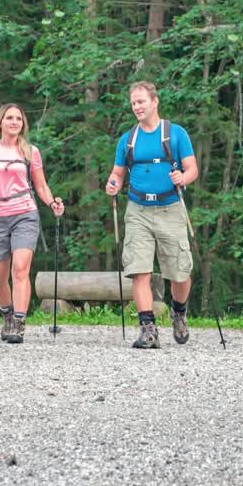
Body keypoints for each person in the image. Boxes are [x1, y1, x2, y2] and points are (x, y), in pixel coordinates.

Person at [104, 81, 199, 349]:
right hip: (138, 209)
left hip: (170, 207)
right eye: (133, 103)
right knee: (139, 270)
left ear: (154, 101)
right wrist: (113, 183)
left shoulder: (176, 134)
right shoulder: (128, 139)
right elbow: (118, 173)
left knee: (180, 272)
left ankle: (178, 311)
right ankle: (148, 329)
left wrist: (183, 177)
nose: (137, 107)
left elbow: (192, 169)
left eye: (141, 102)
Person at [0, 103, 64, 343]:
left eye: (19, 118)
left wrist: (52, 204)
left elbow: (40, 185)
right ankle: (7, 314)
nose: (14, 122)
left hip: (24, 213)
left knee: (20, 268)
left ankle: (19, 322)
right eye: (9, 118)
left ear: (23, 124)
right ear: (0, 123)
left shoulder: (30, 151)